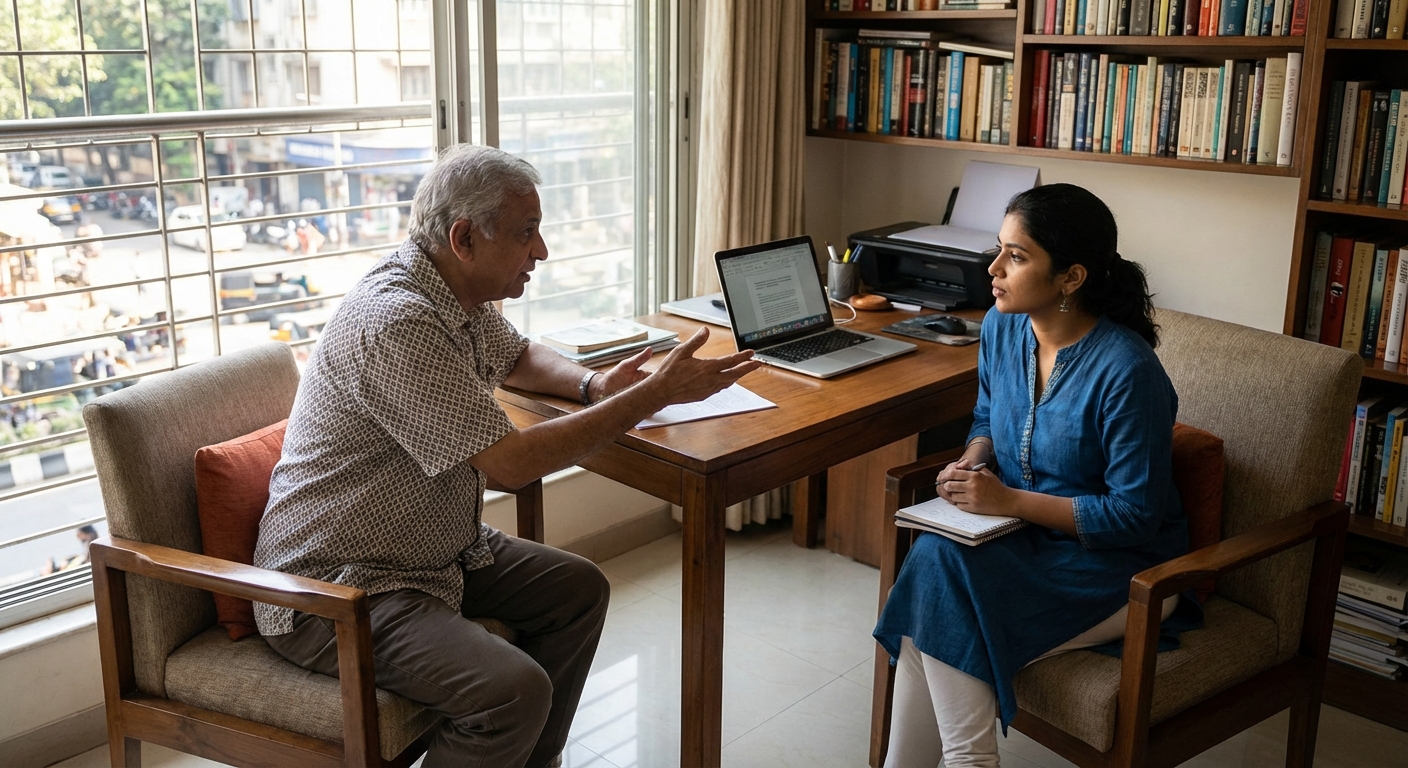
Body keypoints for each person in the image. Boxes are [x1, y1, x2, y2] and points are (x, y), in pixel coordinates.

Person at [253, 144, 759, 768]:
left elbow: (517, 356)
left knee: (577, 590)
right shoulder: (398, 322)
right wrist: (650, 396)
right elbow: (511, 464)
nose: (541, 251)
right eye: (526, 233)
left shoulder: (452, 295)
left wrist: (593, 385)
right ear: (464, 237)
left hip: (433, 554)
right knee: (512, 692)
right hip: (339, 586)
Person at [873, 183, 1201, 768]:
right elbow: (987, 416)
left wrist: (1010, 502)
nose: (993, 269)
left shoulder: (1128, 372)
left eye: (1017, 256)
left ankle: (963, 761)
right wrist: (975, 458)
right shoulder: (1002, 327)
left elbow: (1134, 514)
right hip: (1025, 542)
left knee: (933, 586)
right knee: (934, 562)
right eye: (999, 249)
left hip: (1119, 567)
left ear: (1071, 277)